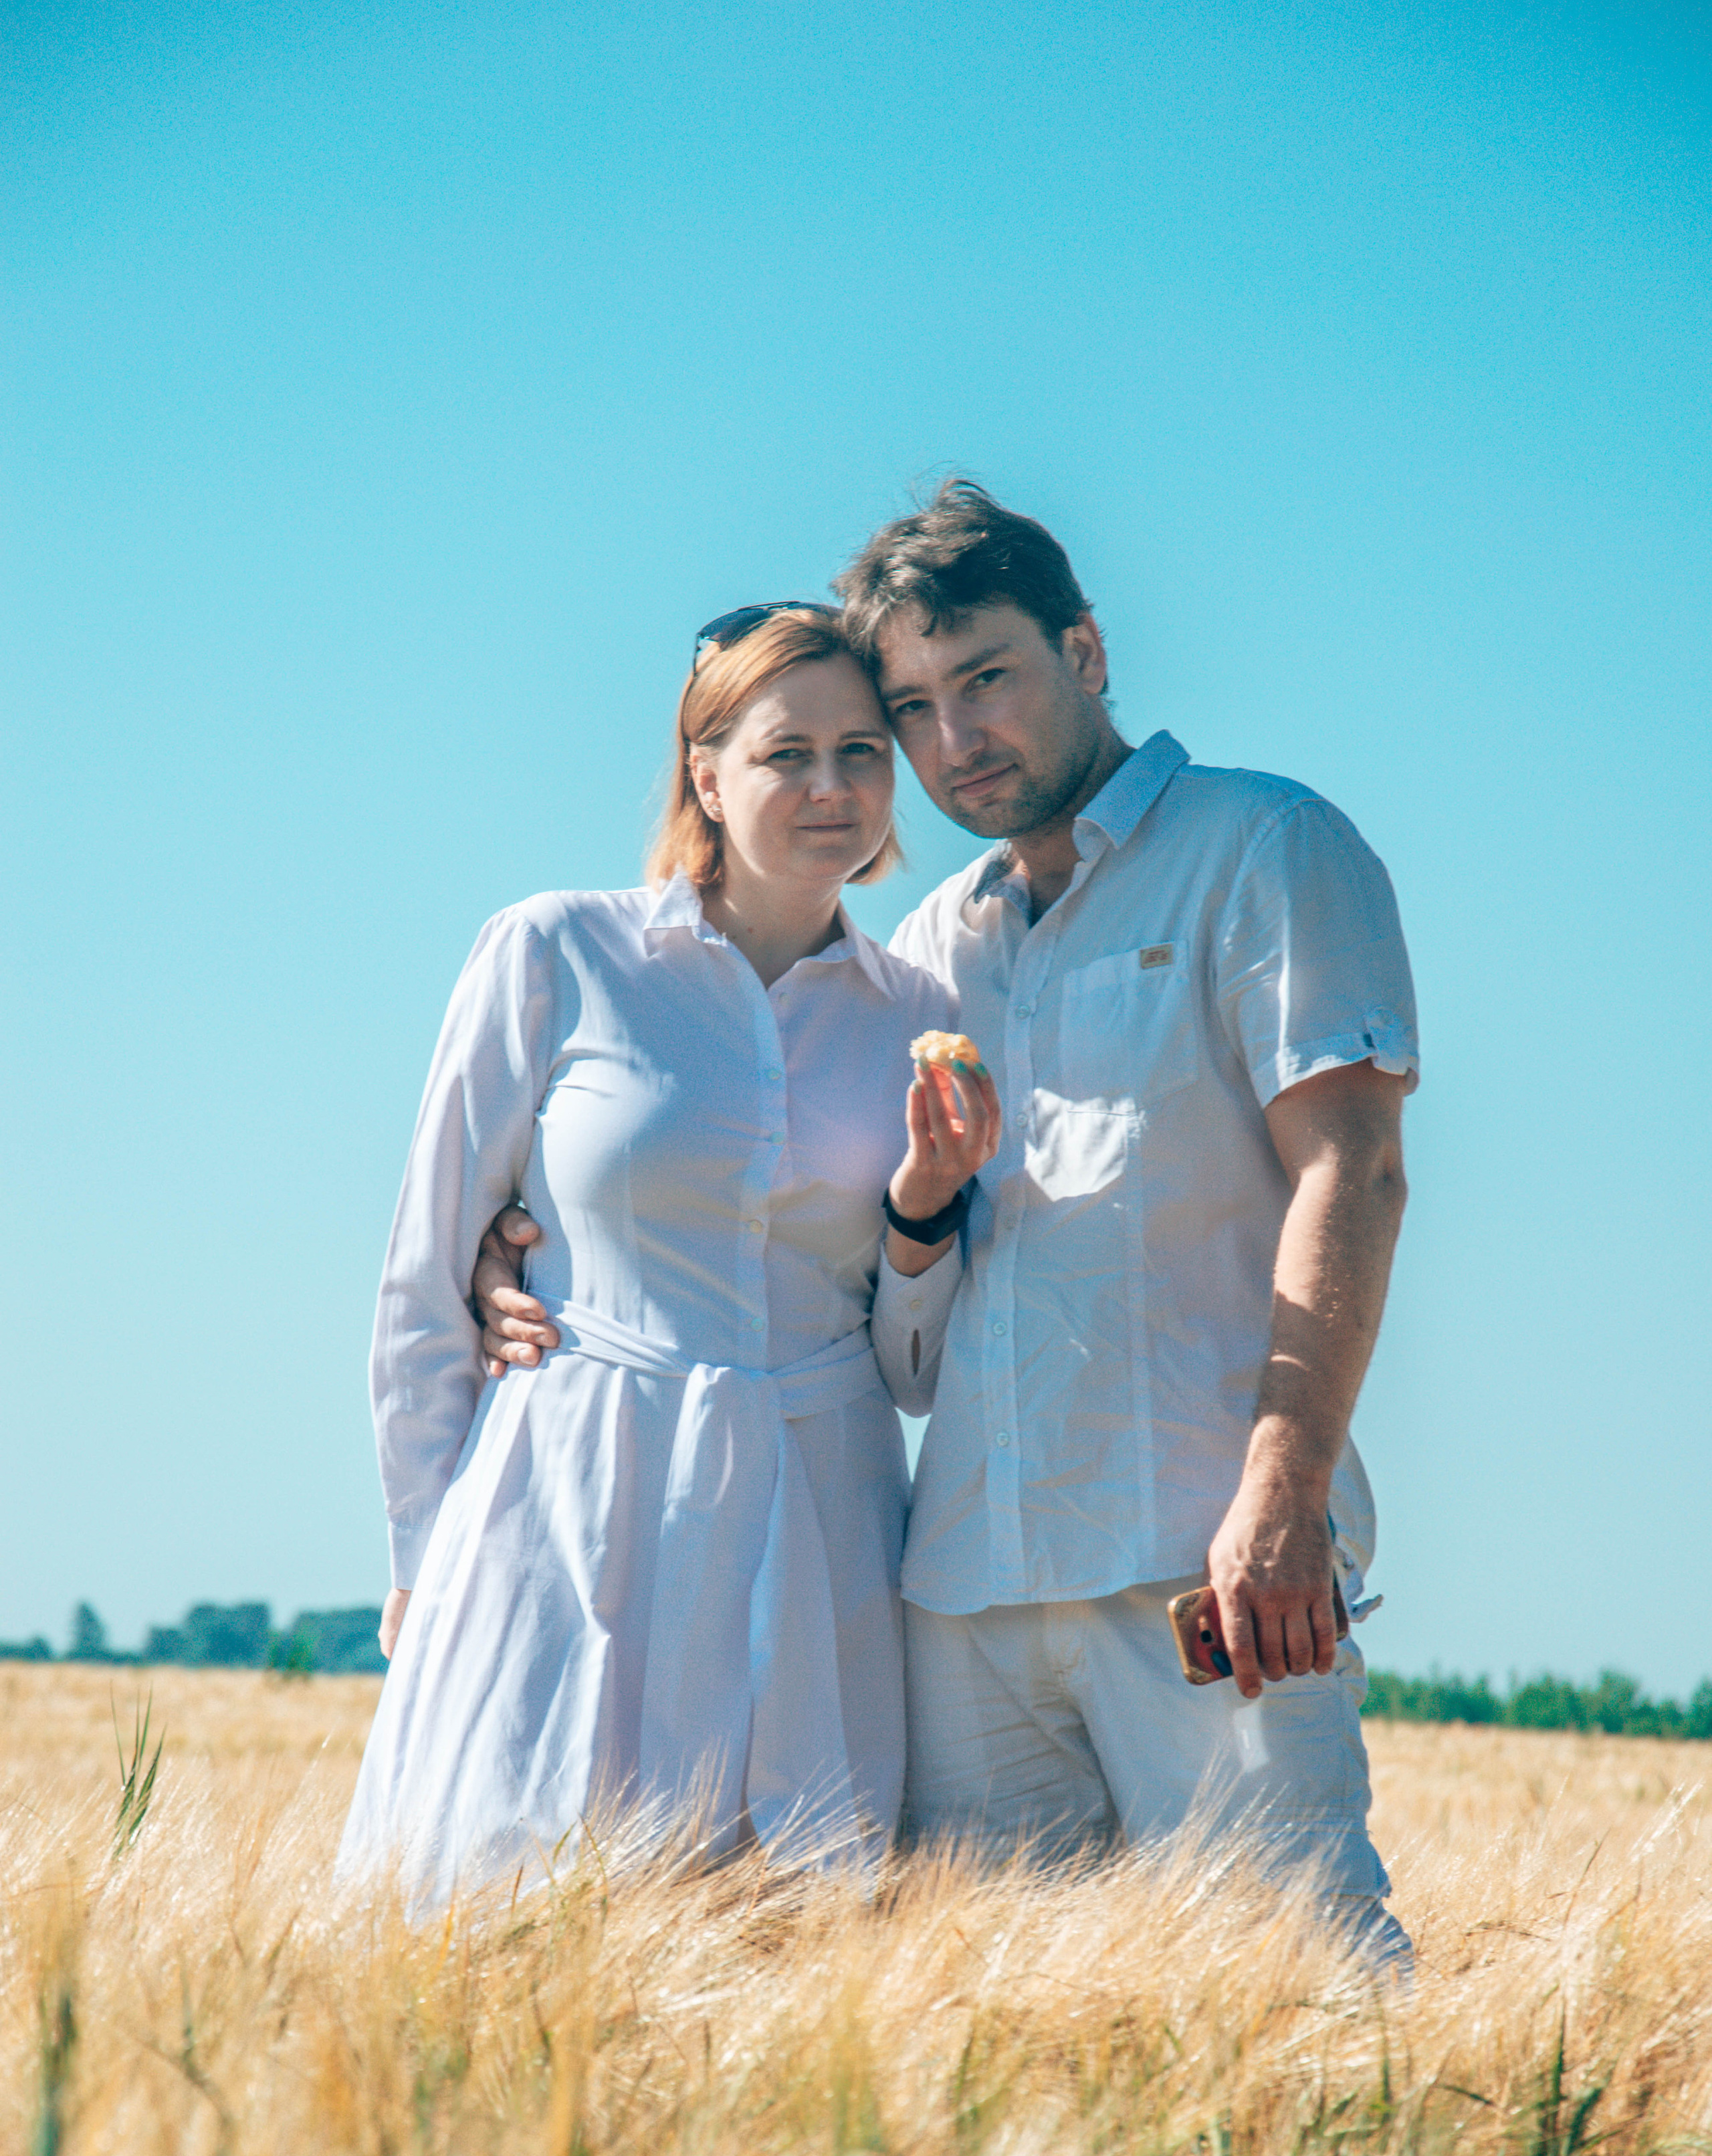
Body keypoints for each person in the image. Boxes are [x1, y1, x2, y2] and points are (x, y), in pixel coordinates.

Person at [477, 488, 1418, 1965]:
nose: (952, 736)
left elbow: (1350, 1172)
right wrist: (526, 1241)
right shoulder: (923, 951)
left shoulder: (1265, 845)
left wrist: (1281, 1488)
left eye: (984, 676)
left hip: (1198, 1554)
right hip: (959, 1580)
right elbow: (851, 1271)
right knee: (992, 2027)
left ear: (1085, 649)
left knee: (1300, 1974)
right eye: (909, 704)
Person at [340, 605, 997, 1906]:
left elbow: (918, 1369)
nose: (830, 787)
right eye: (785, 753)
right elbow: (424, 1279)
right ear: (704, 770)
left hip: (820, 1510)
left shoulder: (922, 1013)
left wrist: (923, 1208)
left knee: (788, 1940)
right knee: (505, 1917)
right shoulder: (552, 952)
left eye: (862, 751)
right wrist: (421, 1553)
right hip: (568, 1497)